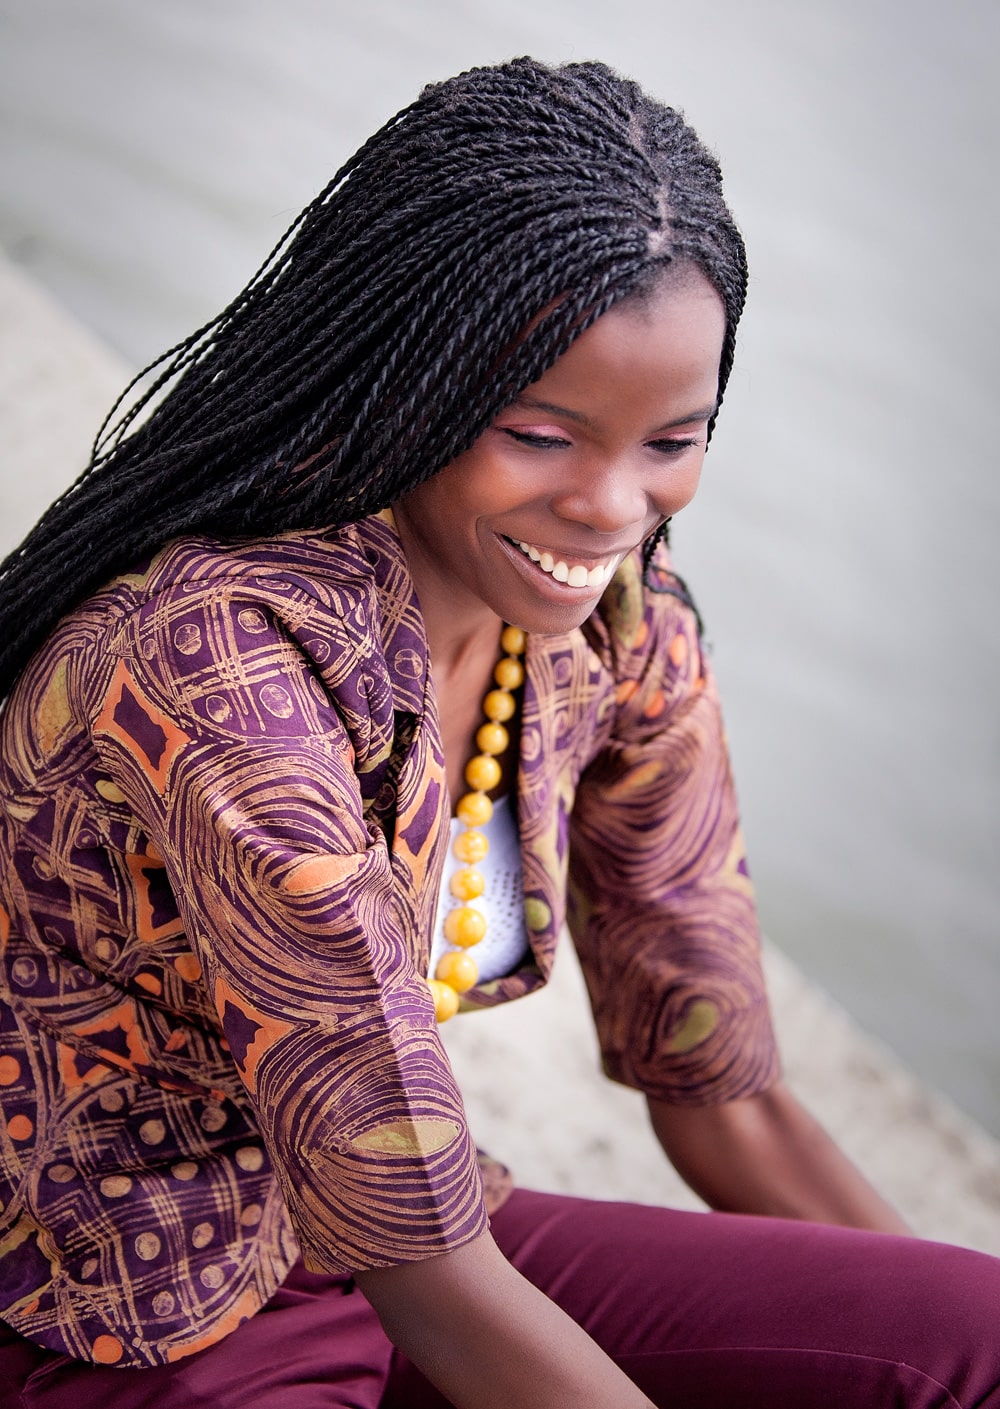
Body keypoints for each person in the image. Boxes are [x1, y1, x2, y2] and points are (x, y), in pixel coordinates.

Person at [0, 56, 997, 1409]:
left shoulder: (620, 635)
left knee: (965, 1340)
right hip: (117, 1315)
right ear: (415, 375)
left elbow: (727, 1098)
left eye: (670, 440)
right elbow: (431, 1273)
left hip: (403, 1239)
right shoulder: (220, 667)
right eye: (541, 432)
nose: (610, 506)